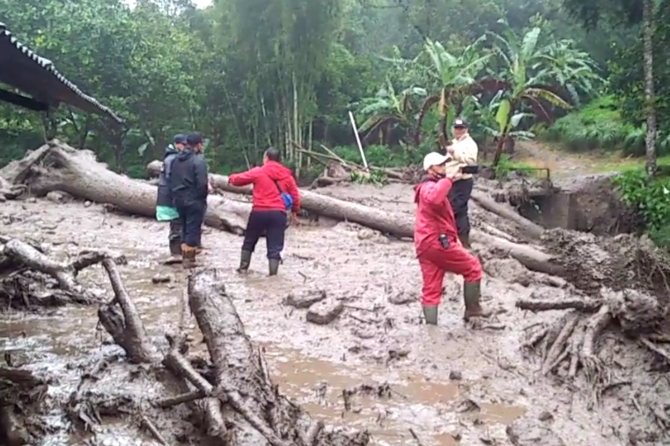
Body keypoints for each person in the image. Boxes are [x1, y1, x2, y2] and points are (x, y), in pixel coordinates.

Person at [414, 152, 491, 325]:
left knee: (431, 288)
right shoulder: (429, 187)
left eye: (444, 164)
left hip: (425, 244)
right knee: (473, 268)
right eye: (440, 165)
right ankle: (472, 310)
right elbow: (434, 198)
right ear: (430, 169)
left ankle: (431, 331)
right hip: (437, 243)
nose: (444, 167)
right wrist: (448, 179)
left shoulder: (426, 187)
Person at [228, 147, 300, 276]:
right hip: (278, 214)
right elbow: (295, 195)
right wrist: (294, 212)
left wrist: (231, 178)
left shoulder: (258, 172)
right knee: (275, 246)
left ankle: (243, 269)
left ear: (266, 158)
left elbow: (239, 180)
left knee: (249, 240)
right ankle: (273, 276)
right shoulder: (287, 176)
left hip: (259, 212)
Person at [169, 132, 209, 268]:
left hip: (178, 199)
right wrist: (201, 197)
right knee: (192, 230)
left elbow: (170, 179)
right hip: (194, 200)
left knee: (184, 228)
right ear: (198, 145)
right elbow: (202, 183)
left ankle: (183, 258)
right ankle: (189, 262)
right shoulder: (198, 161)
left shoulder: (175, 160)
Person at [445, 118, 478, 248]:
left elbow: (472, 162)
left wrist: (456, 153)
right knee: (459, 211)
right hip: (452, 180)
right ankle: (461, 240)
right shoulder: (454, 142)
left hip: (462, 181)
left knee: (455, 210)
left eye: (461, 128)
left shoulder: (469, 144)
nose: (458, 131)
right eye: (456, 128)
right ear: (452, 129)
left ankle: (458, 240)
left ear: (466, 129)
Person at [156, 134, 187, 256]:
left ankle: (178, 252)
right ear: (176, 144)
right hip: (171, 196)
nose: (185, 147)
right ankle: (175, 254)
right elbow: (172, 178)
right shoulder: (172, 159)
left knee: (178, 224)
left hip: (171, 194)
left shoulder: (172, 157)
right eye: (183, 145)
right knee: (176, 224)